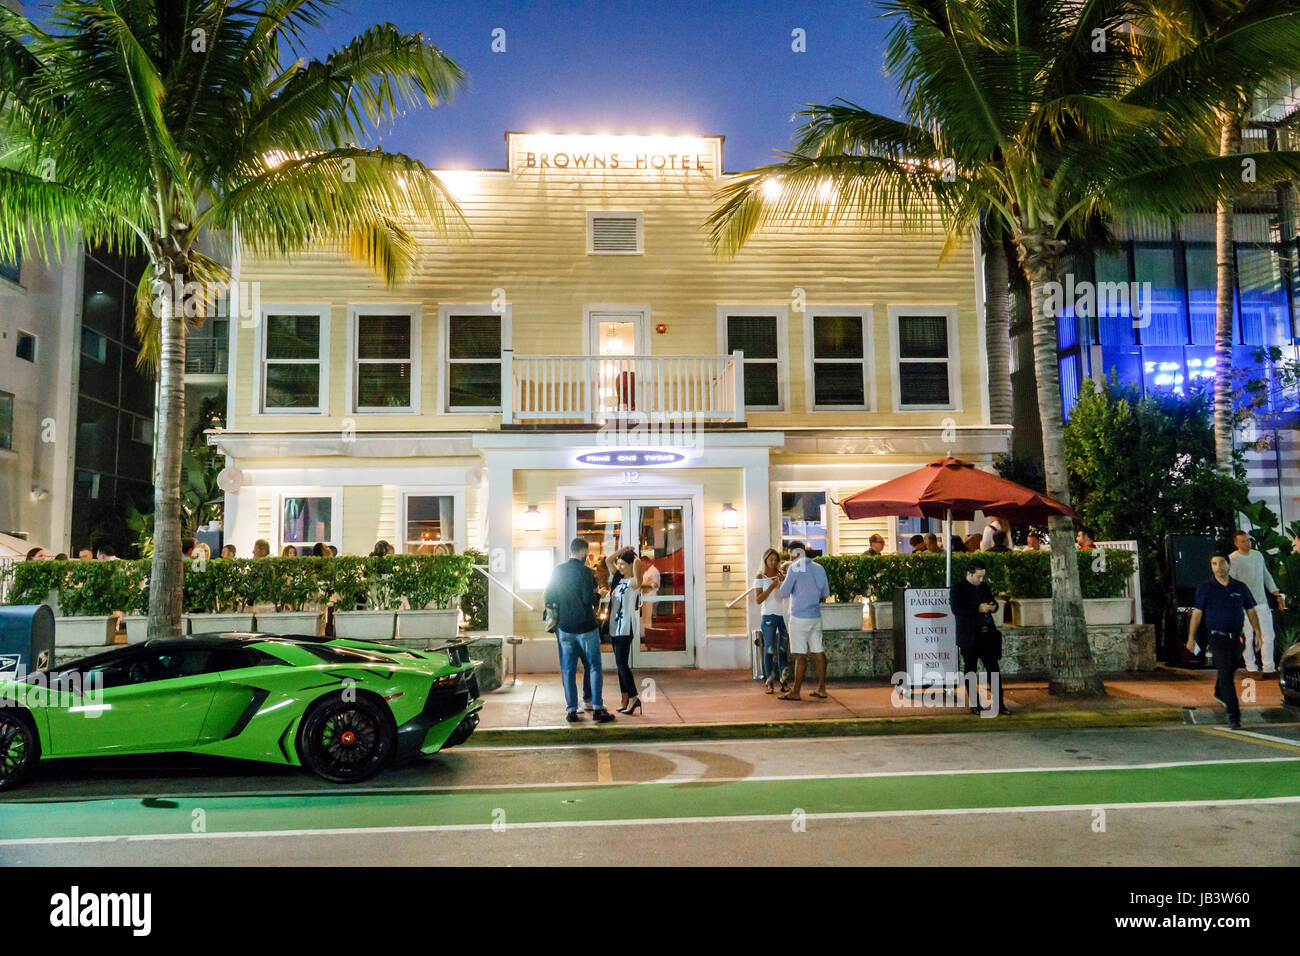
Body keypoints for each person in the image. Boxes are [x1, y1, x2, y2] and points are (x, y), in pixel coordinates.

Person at [1186, 552, 1263, 730]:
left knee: (1231, 667)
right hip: (1216, 637)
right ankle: (1233, 716)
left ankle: (1219, 691)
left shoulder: (1240, 587)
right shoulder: (1205, 588)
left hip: (1236, 637)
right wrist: (1191, 637)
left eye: (1221, 563)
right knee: (1226, 675)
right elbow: (1197, 614)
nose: (1218, 567)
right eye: (1214, 564)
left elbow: (1251, 610)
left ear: (1228, 565)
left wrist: (1258, 632)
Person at [544, 537, 615, 724]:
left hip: (565, 628)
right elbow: (587, 600)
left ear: (570, 551)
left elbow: (549, 595)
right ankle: (598, 708)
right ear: (584, 552)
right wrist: (598, 595)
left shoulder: (558, 571)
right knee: (593, 665)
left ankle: (571, 710)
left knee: (568, 669)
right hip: (585, 626)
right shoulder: (586, 573)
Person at [949, 558, 1005, 715]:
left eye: (982, 577)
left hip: (986, 634)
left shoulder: (983, 587)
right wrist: (977, 608)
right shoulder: (958, 588)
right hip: (969, 635)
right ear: (969, 574)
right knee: (970, 669)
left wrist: (993, 607)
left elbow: (992, 602)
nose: (981, 580)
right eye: (978, 577)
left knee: (993, 668)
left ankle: (999, 702)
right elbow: (957, 609)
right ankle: (975, 703)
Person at [777, 540, 830, 701]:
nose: (790, 558)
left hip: (799, 616)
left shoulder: (794, 567)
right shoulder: (819, 568)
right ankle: (821, 688)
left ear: (796, 553)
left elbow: (784, 592)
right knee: (818, 651)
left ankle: (796, 691)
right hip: (815, 615)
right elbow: (825, 593)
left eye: (791, 554)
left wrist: (784, 580)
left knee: (800, 655)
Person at [1229, 530, 1285, 677]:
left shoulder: (1257, 555)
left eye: (1248, 540)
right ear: (1236, 543)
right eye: (1243, 541)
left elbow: (1266, 575)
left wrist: (1276, 593)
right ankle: (1251, 667)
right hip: (1244, 605)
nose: (1247, 543)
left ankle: (1269, 667)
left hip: (1261, 601)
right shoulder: (1233, 559)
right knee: (1248, 635)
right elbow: (1231, 583)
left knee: (1268, 635)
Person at [606, 548, 644, 714]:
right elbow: (608, 560)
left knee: (622, 664)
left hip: (625, 627)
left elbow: (638, 564)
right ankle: (625, 698)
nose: (619, 566)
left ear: (630, 565)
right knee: (620, 664)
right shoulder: (618, 579)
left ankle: (634, 697)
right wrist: (622, 551)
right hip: (614, 627)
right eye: (619, 564)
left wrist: (634, 557)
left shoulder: (634, 583)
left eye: (623, 564)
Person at [753, 548, 789, 694]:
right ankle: (769, 681)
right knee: (769, 649)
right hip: (768, 615)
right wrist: (772, 587)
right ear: (765, 560)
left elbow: (787, 594)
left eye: (776, 560)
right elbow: (758, 599)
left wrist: (783, 581)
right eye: (770, 560)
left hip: (782, 615)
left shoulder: (781, 576)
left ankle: (784, 680)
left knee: (782, 650)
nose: (773, 562)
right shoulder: (760, 577)